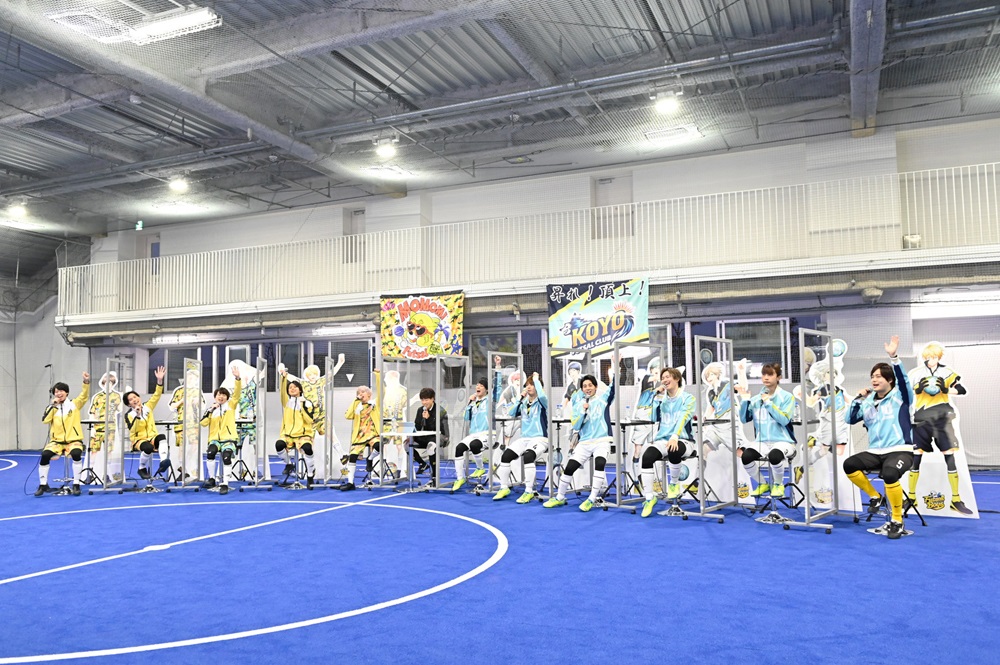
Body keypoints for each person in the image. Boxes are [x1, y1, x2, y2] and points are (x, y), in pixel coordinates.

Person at [843, 335, 915, 540]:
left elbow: (903, 380)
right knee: (850, 465)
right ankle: (876, 497)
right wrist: (858, 399)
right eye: (872, 376)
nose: (874, 380)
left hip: (900, 450)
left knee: (890, 474)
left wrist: (894, 357)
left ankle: (897, 521)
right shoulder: (867, 402)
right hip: (876, 451)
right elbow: (850, 419)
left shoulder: (901, 396)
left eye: (879, 376)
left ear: (889, 380)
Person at [907, 342, 972, 514]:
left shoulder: (947, 372)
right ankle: (911, 497)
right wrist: (917, 389)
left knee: (949, 455)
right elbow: (904, 392)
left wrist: (945, 389)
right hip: (921, 418)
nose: (930, 360)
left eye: (934, 357)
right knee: (916, 456)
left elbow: (962, 390)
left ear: (939, 357)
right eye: (927, 357)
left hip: (942, 417)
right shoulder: (915, 373)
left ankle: (955, 499)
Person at [544, 366, 615, 511]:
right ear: (582, 389)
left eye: (590, 385)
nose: (588, 388)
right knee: (569, 467)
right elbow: (576, 424)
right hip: (585, 442)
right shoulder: (577, 405)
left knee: (600, 464)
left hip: (602, 441)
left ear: (595, 387)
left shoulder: (603, 400)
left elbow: (613, 388)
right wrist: (583, 410)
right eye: (585, 386)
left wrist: (615, 368)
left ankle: (591, 499)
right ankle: (560, 497)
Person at [638, 367, 696, 517]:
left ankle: (674, 483)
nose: (664, 380)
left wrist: (675, 436)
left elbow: (683, 418)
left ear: (677, 379)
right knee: (647, 456)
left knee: (673, 448)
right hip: (663, 440)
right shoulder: (661, 399)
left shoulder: (688, 398)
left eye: (668, 377)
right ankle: (649, 498)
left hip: (683, 440)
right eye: (663, 378)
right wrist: (656, 398)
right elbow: (653, 418)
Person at [735, 363, 796, 499]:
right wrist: (745, 400)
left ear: (778, 377)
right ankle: (763, 484)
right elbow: (744, 419)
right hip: (762, 442)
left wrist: (768, 403)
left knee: (775, 456)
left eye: (770, 374)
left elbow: (784, 420)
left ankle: (778, 485)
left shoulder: (787, 397)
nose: (766, 377)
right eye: (764, 374)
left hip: (784, 442)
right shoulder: (756, 399)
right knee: (746, 456)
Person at [495, 372, 549, 502]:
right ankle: (504, 487)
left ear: (538, 387)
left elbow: (542, 395)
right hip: (524, 439)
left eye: (532, 385)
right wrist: (519, 398)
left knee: (528, 456)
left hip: (540, 439)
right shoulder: (524, 403)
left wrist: (536, 379)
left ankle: (529, 491)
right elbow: (512, 413)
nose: (528, 387)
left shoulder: (542, 402)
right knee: (505, 456)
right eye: (527, 385)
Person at [37, 371, 91, 496]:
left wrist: (86, 382)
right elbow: (45, 420)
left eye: (61, 391)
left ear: (67, 393)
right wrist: (53, 407)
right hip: (57, 442)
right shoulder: (51, 407)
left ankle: (76, 484)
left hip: (74, 440)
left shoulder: (74, 404)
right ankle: (43, 484)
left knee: (76, 454)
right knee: (45, 455)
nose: (58, 393)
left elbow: (84, 396)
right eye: (56, 392)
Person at [200, 365, 242, 495]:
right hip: (214, 439)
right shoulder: (211, 410)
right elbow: (203, 423)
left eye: (224, 395)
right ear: (215, 397)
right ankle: (212, 479)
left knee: (226, 457)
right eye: (219, 395)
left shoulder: (231, 405)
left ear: (227, 397)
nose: (221, 397)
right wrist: (210, 411)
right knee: (210, 453)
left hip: (229, 439)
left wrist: (237, 379)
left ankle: (225, 483)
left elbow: (237, 394)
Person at [275, 367, 318, 487]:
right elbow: (282, 391)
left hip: (303, 435)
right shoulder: (287, 402)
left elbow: (310, 420)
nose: (292, 389)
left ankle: (310, 475)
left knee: (307, 448)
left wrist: (303, 406)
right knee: (279, 445)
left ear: (300, 389)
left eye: (295, 387)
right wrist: (283, 377)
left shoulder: (307, 403)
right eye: (290, 387)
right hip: (288, 435)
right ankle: (289, 464)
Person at [122, 366, 166, 481]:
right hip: (138, 440)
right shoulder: (129, 415)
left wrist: (159, 381)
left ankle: (163, 461)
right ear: (128, 404)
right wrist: (137, 415)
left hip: (152, 436)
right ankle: (141, 468)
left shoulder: (148, 406)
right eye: (131, 399)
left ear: (139, 397)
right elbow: (133, 429)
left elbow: (157, 395)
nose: (134, 400)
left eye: (135, 397)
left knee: (162, 437)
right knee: (148, 447)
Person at [453, 375, 494, 491]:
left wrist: (497, 369)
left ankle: (480, 468)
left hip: (486, 433)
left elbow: (497, 390)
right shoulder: (473, 402)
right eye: (477, 385)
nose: (478, 387)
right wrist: (469, 403)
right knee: (459, 448)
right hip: (473, 434)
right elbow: (466, 417)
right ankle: (460, 478)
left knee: (474, 445)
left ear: (487, 389)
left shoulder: (490, 401)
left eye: (481, 386)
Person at [342, 375, 381, 490]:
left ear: (369, 394)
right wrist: (356, 401)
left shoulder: (375, 404)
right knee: (353, 456)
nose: (360, 394)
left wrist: (378, 376)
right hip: (359, 436)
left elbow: (381, 391)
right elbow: (348, 416)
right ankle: (350, 483)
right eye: (358, 392)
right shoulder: (357, 406)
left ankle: (370, 458)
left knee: (379, 445)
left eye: (363, 392)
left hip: (373, 434)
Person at [88, 371, 123, 482]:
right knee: (94, 450)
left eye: (110, 383)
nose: (108, 385)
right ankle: (90, 472)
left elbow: (119, 409)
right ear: (102, 384)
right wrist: (92, 427)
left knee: (109, 451)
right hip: (98, 427)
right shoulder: (97, 397)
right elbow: (92, 412)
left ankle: (106, 474)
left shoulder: (116, 396)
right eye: (106, 383)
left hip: (110, 427)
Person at [411, 387, 449, 486]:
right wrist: (412, 434)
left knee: (431, 446)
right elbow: (417, 426)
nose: (424, 402)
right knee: (407, 444)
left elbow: (439, 429)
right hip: (426, 436)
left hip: (440, 436)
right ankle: (422, 464)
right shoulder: (420, 410)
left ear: (432, 399)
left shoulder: (440, 411)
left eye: (426, 400)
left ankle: (434, 477)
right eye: (422, 400)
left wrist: (428, 418)